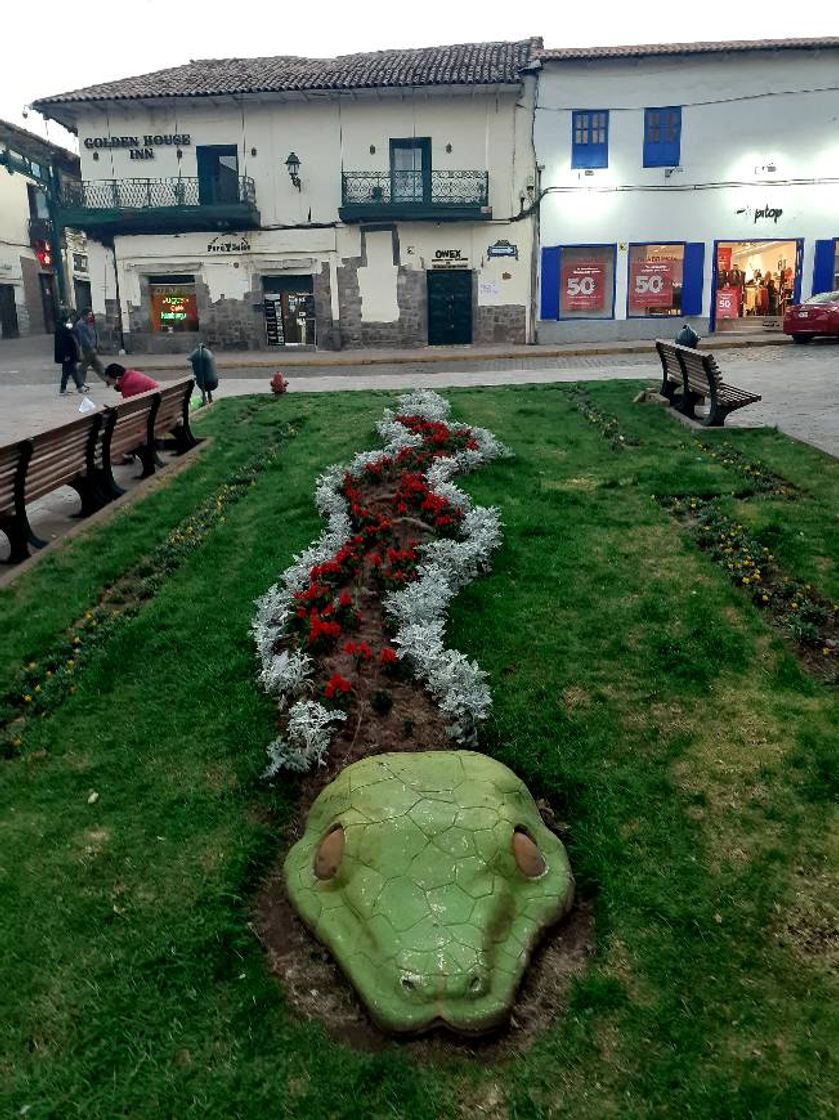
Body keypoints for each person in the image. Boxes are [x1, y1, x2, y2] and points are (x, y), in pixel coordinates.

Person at [54, 309, 89, 395]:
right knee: (67, 372)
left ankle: (79, 386)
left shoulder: (64, 329)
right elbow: (62, 344)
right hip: (67, 355)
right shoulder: (62, 330)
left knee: (72, 371)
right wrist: (65, 355)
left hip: (70, 354)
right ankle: (64, 389)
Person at [73, 310, 106, 383]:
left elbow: (95, 334)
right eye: (89, 315)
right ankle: (80, 381)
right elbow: (83, 337)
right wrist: (91, 346)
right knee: (84, 366)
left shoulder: (90, 323)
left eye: (91, 315)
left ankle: (107, 379)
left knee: (97, 365)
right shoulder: (80, 324)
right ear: (84, 316)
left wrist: (97, 344)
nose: (90, 316)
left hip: (93, 347)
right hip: (87, 348)